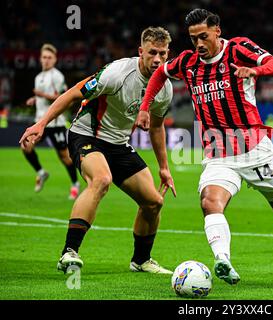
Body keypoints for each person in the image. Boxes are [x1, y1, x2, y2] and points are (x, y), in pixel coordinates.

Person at [136, 9, 273, 286]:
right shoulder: (188, 62)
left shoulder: (239, 49)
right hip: (218, 152)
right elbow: (160, 73)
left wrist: (255, 70)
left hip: (255, 148)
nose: (199, 44)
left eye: (204, 36)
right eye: (194, 38)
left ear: (217, 31)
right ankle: (223, 260)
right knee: (209, 201)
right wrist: (145, 107)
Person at [19, 27, 176, 275]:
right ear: (140, 52)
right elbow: (72, 94)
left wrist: (164, 168)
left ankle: (141, 261)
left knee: (154, 202)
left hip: (119, 145)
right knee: (102, 179)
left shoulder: (165, 87)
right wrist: (41, 124)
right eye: (152, 53)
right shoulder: (117, 72)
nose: (157, 59)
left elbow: (157, 128)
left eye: (163, 54)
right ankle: (69, 252)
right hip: (86, 135)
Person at [23, 43, 80, 199]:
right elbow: (47, 95)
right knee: (25, 146)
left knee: (64, 157)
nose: (46, 60)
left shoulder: (57, 76)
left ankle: (75, 184)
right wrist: (35, 98)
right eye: (44, 57)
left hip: (55, 123)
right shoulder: (38, 77)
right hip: (40, 122)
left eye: (49, 58)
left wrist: (41, 95)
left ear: (55, 60)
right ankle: (41, 173)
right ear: (40, 59)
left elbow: (64, 98)